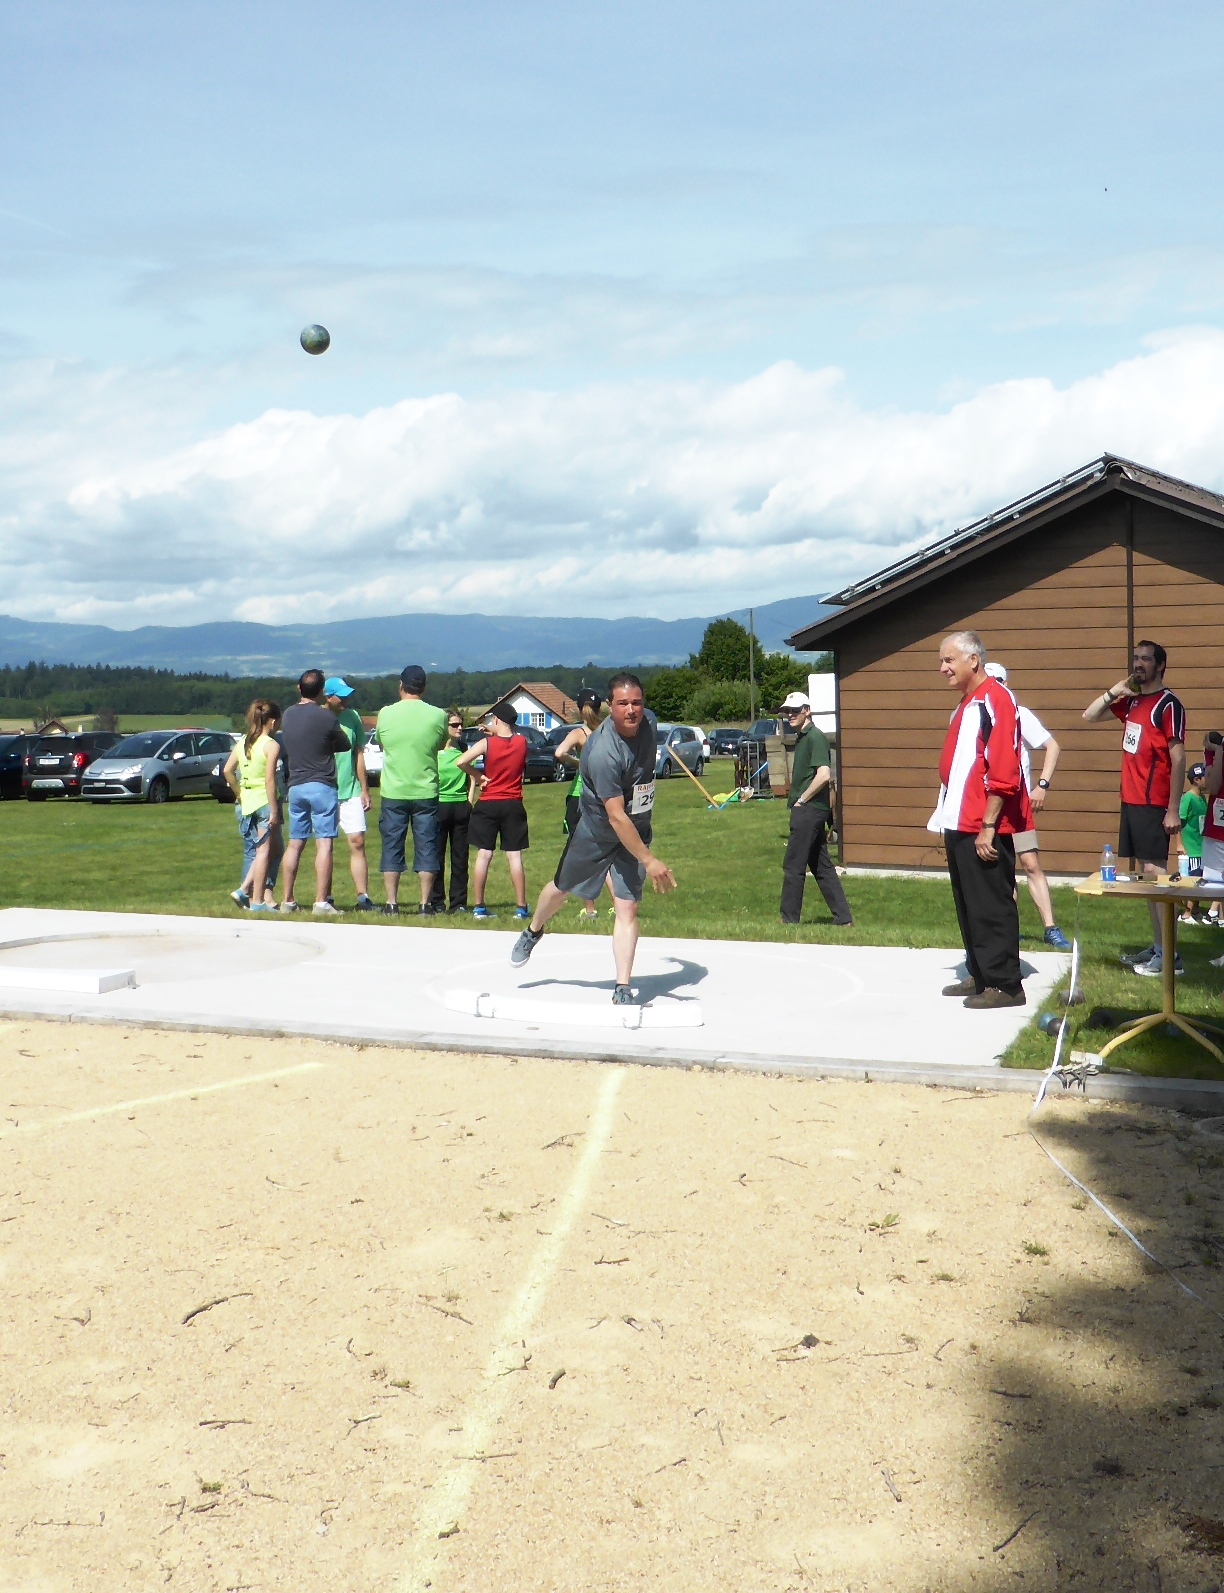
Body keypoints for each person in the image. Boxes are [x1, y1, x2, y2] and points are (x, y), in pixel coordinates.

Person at [510, 672, 677, 1004]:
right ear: (609, 707)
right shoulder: (602, 752)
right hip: (597, 831)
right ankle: (533, 930)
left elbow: (628, 815)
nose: (632, 710)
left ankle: (622, 987)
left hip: (635, 829)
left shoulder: (649, 722)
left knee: (627, 907)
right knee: (561, 888)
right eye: (623, 703)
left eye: (637, 702)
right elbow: (615, 816)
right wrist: (649, 860)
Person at [929, 632, 1029, 1010]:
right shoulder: (967, 703)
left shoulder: (996, 699)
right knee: (969, 905)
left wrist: (988, 825)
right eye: (942, 661)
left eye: (949, 660)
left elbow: (1003, 767)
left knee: (991, 905)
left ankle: (1005, 984)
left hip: (983, 825)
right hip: (959, 821)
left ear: (973, 660)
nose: (943, 668)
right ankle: (981, 972)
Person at [1083, 640, 1187, 977]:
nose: (1139, 664)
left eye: (1146, 659)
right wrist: (1115, 690)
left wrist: (1173, 809)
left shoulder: (1168, 704)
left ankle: (1170, 956)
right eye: (1136, 658)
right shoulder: (1132, 701)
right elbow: (1089, 716)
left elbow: (1178, 757)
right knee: (1146, 877)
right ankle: (1159, 946)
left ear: (1160, 666)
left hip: (1153, 801)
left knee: (1156, 876)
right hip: (1131, 799)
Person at [983, 663, 1070, 951]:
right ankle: (1009, 928)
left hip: (1017, 805)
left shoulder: (1019, 713)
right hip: (988, 805)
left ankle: (1050, 928)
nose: (994, 685)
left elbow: (1052, 746)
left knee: (1030, 863)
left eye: (998, 680)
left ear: (1006, 683)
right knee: (999, 869)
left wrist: (1042, 785)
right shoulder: (977, 715)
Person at [376, 664, 449, 916]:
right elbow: (440, 745)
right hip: (425, 789)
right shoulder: (438, 715)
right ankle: (425, 903)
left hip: (394, 790)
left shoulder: (385, 714)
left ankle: (391, 903)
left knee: (392, 846)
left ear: (401, 686)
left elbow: (383, 744)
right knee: (427, 846)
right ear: (424, 688)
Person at [776, 689, 853, 928]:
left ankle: (788, 919)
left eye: (795, 711)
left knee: (793, 865)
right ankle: (843, 919)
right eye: (787, 711)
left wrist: (802, 800)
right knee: (821, 866)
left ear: (807, 711)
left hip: (809, 810)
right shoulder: (802, 737)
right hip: (812, 810)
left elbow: (824, 774)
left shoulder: (815, 737)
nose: (790, 715)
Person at [277, 669, 352, 915]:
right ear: (321, 692)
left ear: (299, 688)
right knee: (324, 843)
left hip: (295, 785)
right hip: (321, 783)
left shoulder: (288, 715)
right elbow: (344, 744)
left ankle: (287, 900)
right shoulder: (326, 717)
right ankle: (321, 902)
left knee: (295, 843)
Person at [457, 702, 530, 921]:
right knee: (514, 856)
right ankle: (521, 907)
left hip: (488, 802)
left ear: (497, 720)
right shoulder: (522, 742)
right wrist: (494, 731)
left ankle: (479, 907)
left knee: (484, 854)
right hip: (513, 802)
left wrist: (478, 776)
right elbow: (508, 738)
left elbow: (461, 761)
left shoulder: (486, 744)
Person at [224, 699, 282, 913]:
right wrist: (274, 809)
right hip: (264, 801)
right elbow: (270, 780)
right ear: (273, 722)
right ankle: (257, 900)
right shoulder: (271, 745)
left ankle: (244, 890)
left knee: (262, 850)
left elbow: (227, 771)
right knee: (263, 852)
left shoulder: (243, 742)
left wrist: (239, 793)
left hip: (247, 802)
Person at [553, 688, 605, 922]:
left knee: (581, 853)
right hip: (603, 794)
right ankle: (619, 904)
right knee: (606, 851)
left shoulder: (579, 733)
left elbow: (559, 752)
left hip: (580, 794)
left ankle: (590, 909)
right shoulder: (606, 730)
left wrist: (577, 762)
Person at [324, 677, 374, 911]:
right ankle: (325, 896)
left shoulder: (352, 717)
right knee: (326, 845)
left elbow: (358, 754)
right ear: (328, 697)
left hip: (351, 789)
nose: (345, 700)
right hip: (326, 789)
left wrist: (364, 788)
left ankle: (363, 897)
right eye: (340, 696)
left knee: (358, 841)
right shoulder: (320, 717)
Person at [428, 710, 472, 914]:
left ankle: (459, 903)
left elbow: (472, 775)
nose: (459, 728)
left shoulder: (464, 748)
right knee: (436, 856)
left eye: (461, 724)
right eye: (454, 725)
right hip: (439, 805)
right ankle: (437, 902)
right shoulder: (434, 750)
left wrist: (469, 799)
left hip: (460, 806)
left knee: (460, 858)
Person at [1177, 763, 1209, 922]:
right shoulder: (1188, 798)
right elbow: (1179, 821)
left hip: (1201, 846)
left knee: (1201, 879)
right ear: (1197, 779)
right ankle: (1186, 914)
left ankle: (1195, 910)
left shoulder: (1202, 798)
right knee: (1193, 880)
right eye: (1205, 776)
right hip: (1191, 847)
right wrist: (1179, 844)